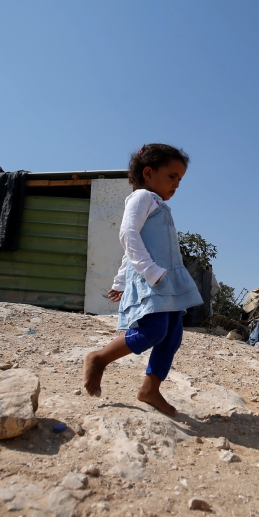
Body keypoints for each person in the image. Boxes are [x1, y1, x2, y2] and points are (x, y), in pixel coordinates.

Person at [82, 143, 204, 416]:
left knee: (172, 336)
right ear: (148, 173)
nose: (177, 184)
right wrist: (147, 271)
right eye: (172, 176)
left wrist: (121, 279)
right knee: (153, 331)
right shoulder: (142, 198)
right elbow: (128, 235)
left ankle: (150, 389)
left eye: (180, 179)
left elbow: (139, 244)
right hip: (154, 279)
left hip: (166, 280)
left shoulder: (158, 204)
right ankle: (99, 358)